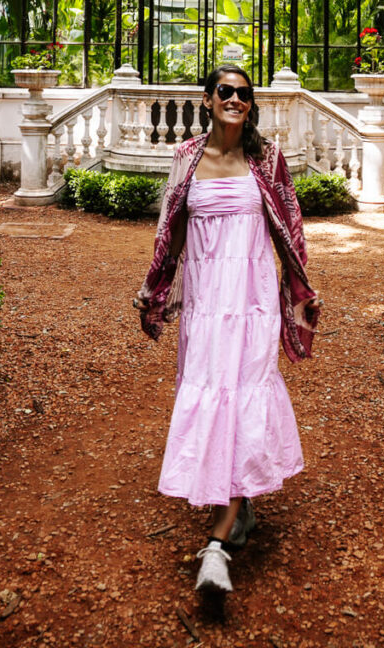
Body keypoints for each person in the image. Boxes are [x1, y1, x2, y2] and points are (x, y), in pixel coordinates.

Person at [135, 65, 320, 594]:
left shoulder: (267, 158)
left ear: (250, 103)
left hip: (252, 297)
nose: (234, 99)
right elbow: (169, 234)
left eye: (243, 93)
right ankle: (238, 502)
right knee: (212, 393)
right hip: (206, 301)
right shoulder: (186, 159)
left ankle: (216, 547)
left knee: (242, 395)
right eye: (225, 91)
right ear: (207, 99)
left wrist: (300, 293)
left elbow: (290, 229)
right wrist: (156, 290)